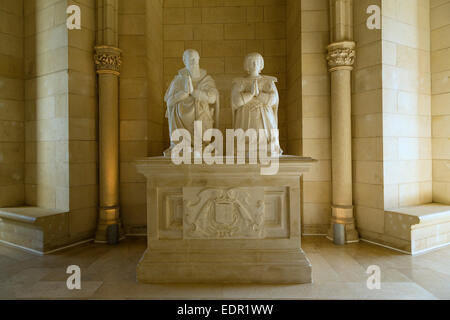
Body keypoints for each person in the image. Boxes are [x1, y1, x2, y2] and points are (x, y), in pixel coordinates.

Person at [164, 49, 219, 156]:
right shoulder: (178, 80)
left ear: (199, 59)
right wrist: (184, 93)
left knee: (202, 114)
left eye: (195, 58)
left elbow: (212, 98)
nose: (194, 61)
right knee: (177, 107)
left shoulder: (206, 79)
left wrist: (194, 92)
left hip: (201, 113)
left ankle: (201, 145)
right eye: (190, 59)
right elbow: (169, 102)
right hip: (181, 116)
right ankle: (182, 145)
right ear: (184, 61)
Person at [231, 52, 282, 156]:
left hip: (264, 115)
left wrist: (259, 95)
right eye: (251, 62)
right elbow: (236, 101)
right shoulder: (240, 82)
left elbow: (273, 99)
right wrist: (250, 94)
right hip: (245, 115)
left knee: (264, 136)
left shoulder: (268, 82)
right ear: (247, 65)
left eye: (257, 62)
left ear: (261, 65)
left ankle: (268, 146)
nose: (254, 64)